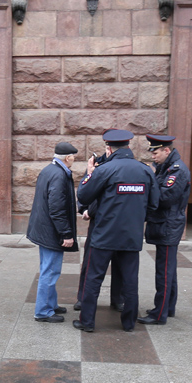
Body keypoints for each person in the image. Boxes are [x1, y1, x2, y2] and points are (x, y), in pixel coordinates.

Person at [74, 129, 158, 333]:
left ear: (108, 149)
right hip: (131, 237)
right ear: (128, 146)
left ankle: (87, 321)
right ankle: (128, 323)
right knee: (130, 281)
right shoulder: (145, 170)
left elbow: (83, 196)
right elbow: (154, 204)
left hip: (103, 235)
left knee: (93, 279)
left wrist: (90, 172)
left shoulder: (104, 170)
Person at [138, 133, 191, 326]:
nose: (153, 156)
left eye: (156, 152)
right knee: (169, 270)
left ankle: (158, 314)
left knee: (164, 272)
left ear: (167, 150)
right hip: (165, 224)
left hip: (168, 226)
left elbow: (164, 198)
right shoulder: (166, 168)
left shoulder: (176, 170)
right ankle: (167, 308)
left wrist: (150, 180)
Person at [26, 141, 78, 323]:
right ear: (68, 157)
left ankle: (51, 304)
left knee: (47, 268)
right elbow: (56, 208)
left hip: (43, 229)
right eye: (73, 157)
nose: (74, 160)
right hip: (51, 232)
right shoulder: (59, 175)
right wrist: (66, 233)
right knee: (50, 271)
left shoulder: (49, 169)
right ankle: (43, 311)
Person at [75, 147, 124, 314]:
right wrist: (84, 210)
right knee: (90, 264)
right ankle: (83, 298)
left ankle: (118, 299)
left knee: (120, 265)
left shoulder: (125, 167)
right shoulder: (97, 164)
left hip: (118, 223)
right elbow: (84, 192)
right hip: (99, 224)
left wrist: (91, 210)